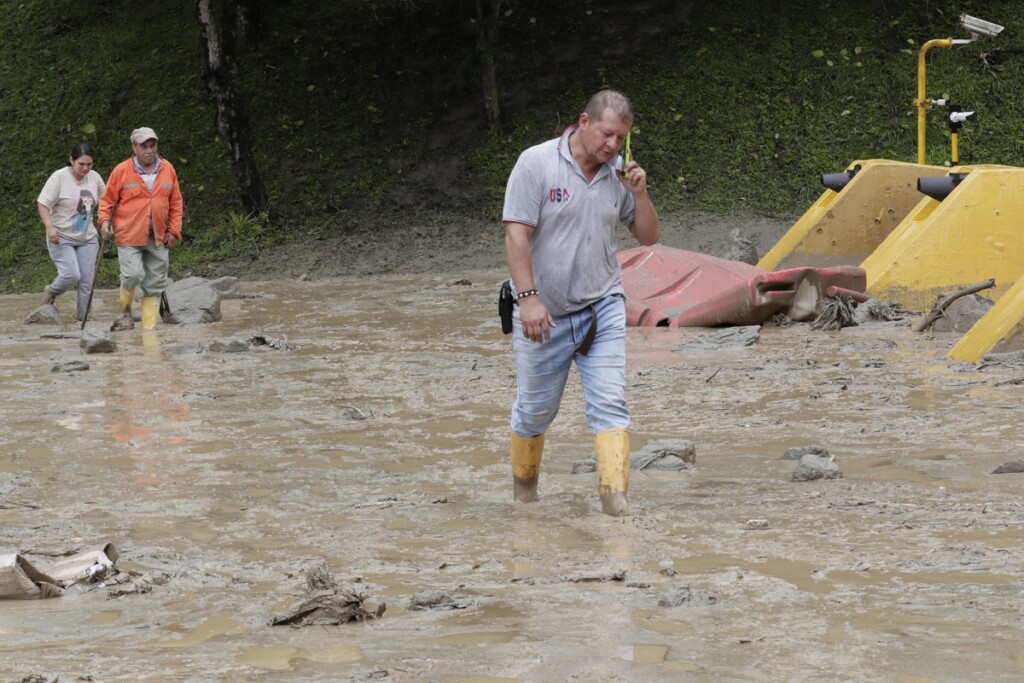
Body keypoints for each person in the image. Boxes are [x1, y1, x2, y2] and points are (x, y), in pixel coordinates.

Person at [502, 89, 660, 517]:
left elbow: (647, 237)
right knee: (535, 412)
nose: (612, 146)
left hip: (601, 308)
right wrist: (529, 299)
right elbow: (516, 234)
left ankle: (615, 504)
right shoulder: (536, 163)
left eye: (621, 139)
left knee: (610, 403)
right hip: (542, 312)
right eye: (607, 134)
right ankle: (525, 494)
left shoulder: (619, 176)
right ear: (584, 122)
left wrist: (641, 195)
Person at [98, 127, 183, 331]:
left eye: (152, 145)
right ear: (134, 147)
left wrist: (174, 230)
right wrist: (104, 222)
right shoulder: (121, 170)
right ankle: (126, 312)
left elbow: (176, 202)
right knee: (132, 275)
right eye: (143, 146)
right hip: (129, 235)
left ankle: (149, 331)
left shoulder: (167, 169)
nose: (149, 150)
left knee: (155, 285)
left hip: (159, 237)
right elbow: (106, 200)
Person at [37, 143, 105, 321]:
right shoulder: (59, 177)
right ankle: (52, 291)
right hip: (61, 235)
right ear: (71, 160)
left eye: (89, 164)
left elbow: (106, 201)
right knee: (72, 275)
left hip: (87, 236)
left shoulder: (95, 178)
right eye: (81, 164)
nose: (85, 168)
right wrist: (49, 227)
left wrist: (105, 223)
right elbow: (43, 203)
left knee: (87, 282)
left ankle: (84, 321)